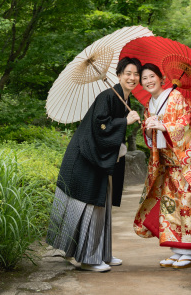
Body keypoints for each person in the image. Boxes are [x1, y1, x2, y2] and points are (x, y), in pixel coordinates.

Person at [47, 57, 142, 272]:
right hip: (86, 160)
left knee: (104, 206)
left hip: (101, 160)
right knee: (93, 206)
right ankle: (89, 259)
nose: (132, 77)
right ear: (118, 75)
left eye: (136, 74)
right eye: (128, 73)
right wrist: (123, 122)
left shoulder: (123, 99)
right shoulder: (107, 96)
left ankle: (103, 253)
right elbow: (100, 127)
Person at [133, 62, 191, 269]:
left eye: (152, 76)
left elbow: (189, 123)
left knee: (188, 204)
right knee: (170, 206)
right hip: (167, 163)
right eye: (144, 79)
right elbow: (150, 137)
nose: (149, 81)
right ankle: (178, 250)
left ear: (162, 78)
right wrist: (148, 128)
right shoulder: (149, 104)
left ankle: (190, 252)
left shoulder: (177, 97)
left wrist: (163, 125)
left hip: (185, 162)